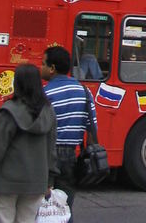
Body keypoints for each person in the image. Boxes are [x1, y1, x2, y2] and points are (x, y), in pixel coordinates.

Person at [0, 63, 57, 223]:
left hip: (6, 180)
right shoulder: (48, 112)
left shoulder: (9, 111)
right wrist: (49, 180)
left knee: (2, 219)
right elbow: (51, 150)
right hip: (37, 181)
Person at [42, 46, 97, 223]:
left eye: (43, 63)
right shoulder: (85, 92)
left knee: (43, 208)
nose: (40, 67)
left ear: (52, 68)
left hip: (47, 155)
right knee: (64, 206)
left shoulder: (45, 94)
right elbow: (91, 125)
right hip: (71, 155)